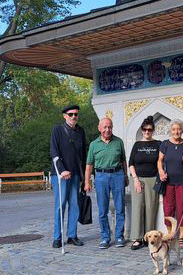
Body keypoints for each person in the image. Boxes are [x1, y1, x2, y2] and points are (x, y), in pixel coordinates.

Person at [85, 117, 128, 249]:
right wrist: (87, 182)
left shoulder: (118, 142)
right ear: (99, 128)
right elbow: (89, 165)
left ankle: (119, 236)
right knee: (103, 210)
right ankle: (105, 237)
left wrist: (125, 176)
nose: (107, 129)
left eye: (109, 127)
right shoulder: (94, 144)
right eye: (105, 127)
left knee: (120, 208)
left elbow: (123, 161)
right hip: (101, 177)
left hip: (117, 175)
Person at [50, 105, 86, 248]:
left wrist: (85, 176)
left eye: (76, 114)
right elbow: (54, 151)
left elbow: (83, 154)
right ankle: (57, 237)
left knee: (75, 205)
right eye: (70, 114)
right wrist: (62, 170)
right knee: (60, 205)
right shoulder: (57, 130)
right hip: (60, 175)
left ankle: (72, 235)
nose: (73, 117)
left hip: (76, 174)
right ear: (65, 116)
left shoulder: (80, 131)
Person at [157, 119, 183, 248]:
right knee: (168, 209)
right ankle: (170, 235)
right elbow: (159, 161)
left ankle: (182, 236)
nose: (176, 131)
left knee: (182, 208)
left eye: (178, 129)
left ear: (182, 130)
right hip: (168, 182)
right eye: (173, 129)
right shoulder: (165, 144)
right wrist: (161, 171)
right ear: (170, 131)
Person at [128, 116, 161, 250]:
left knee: (150, 208)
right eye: (145, 129)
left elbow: (162, 161)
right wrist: (135, 179)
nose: (147, 132)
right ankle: (137, 238)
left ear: (153, 130)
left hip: (152, 178)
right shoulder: (137, 145)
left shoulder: (158, 144)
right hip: (138, 179)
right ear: (141, 130)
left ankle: (149, 237)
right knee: (137, 207)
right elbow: (131, 163)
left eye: (149, 130)